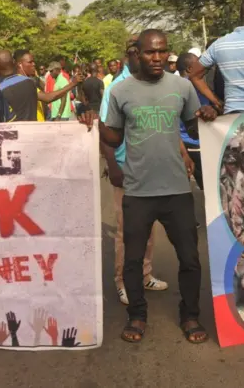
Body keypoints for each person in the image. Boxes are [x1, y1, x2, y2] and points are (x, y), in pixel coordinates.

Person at [86, 29, 218, 344]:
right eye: (150, 52)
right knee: (132, 261)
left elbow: (192, 129)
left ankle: (190, 315)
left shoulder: (182, 86)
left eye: (162, 52)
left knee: (189, 258)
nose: (157, 58)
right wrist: (94, 121)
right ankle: (137, 315)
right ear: (137, 53)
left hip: (176, 190)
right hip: (137, 190)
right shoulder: (120, 91)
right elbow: (114, 137)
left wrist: (208, 114)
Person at [99, 37, 169, 307]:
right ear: (131, 55)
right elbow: (105, 131)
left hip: (152, 168)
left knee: (149, 228)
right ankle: (122, 281)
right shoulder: (116, 88)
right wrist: (112, 166)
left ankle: (145, 274)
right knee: (127, 230)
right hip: (126, 168)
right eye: (132, 52)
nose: (139, 57)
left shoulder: (157, 83)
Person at [0, 49, 82, 122]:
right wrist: (72, 84)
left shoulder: (3, 85)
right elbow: (48, 98)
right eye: (30, 62)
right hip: (34, 129)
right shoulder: (26, 83)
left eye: (33, 61)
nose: (34, 64)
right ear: (19, 64)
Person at [177, 52, 210, 190]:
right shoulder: (191, 86)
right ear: (190, 69)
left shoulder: (176, 85)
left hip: (183, 144)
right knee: (209, 189)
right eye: (198, 63)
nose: (203, 67)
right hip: (195, 144)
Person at [220, 150, 240, 221]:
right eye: (230, 164)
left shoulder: (239, 177)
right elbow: (225, 208)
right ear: (225, 164)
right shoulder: (224, 181)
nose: (233, 166)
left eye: (235, 164)